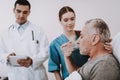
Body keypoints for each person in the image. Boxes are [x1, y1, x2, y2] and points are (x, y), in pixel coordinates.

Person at [0, 0, 49, 80]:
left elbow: (46, 51)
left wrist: (32, 61)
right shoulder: (5, 33)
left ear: (29, 12)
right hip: (15, 75)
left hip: (35, 75)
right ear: (13, 10)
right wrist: (7, 57)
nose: (21, 15)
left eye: (25, 12)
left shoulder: (38, 30)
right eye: (18, 11)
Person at [48, 6, 89, 80]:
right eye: (66, 20)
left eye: (72, 19)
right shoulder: (55, 44)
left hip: (87, 76)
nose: (70, 23)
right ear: (60, 21)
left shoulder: (84, 35)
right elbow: (55, 69)